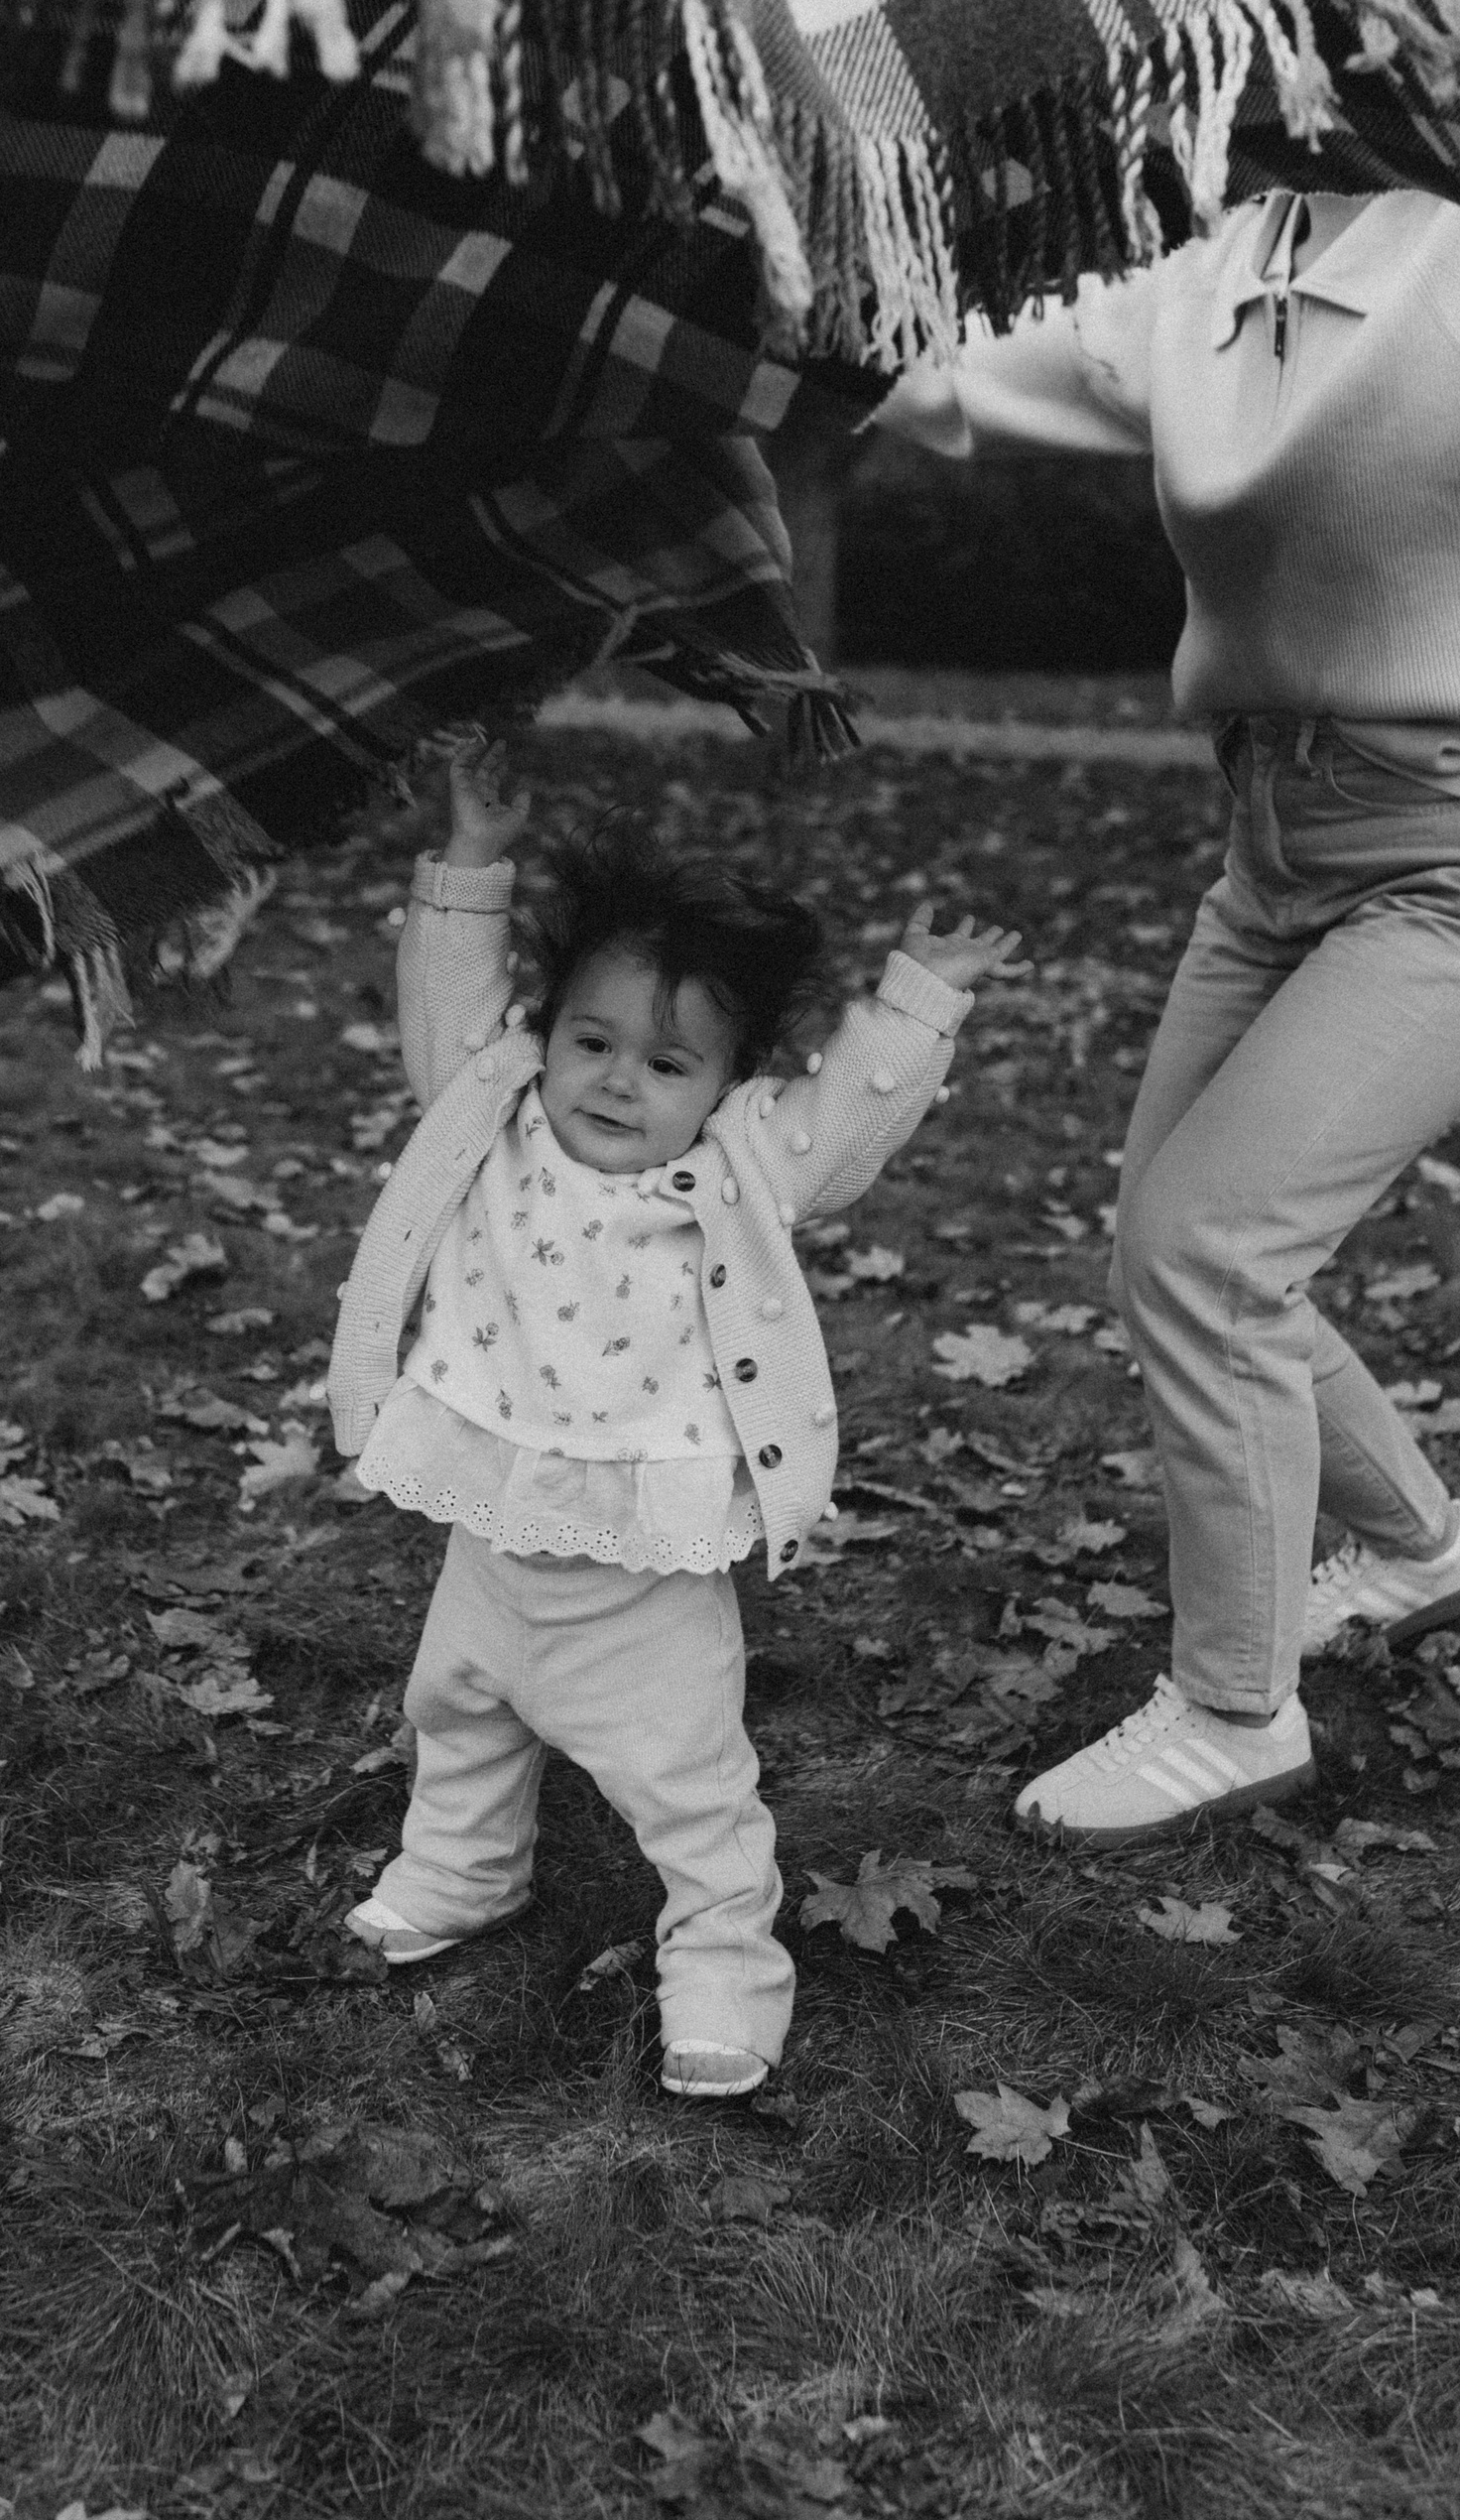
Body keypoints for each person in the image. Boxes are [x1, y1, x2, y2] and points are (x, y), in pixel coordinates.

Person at [873, 0, 1460, 1848]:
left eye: (1341, 0)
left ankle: (1237, 1708)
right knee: (1181, 1244)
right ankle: (1419, 1543)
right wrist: (752, 303)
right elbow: (954, 375)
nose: (1294, 42)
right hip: (1272, 844)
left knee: (1208, 1251)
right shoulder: (1223, 256)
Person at [327, 736, 1024, 2095]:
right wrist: (471, 864)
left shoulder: (744, 1161)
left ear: (727, 1082)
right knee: (460, 1709)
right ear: (548, 1035)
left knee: (687, 1785)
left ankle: (723, 1964)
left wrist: (918, 998)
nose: (615, 1080)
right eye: (591, 1042)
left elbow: (844, 1128)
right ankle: (461, 1869)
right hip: (495, 1504)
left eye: (665, 1063)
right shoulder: (495, 1112)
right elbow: (445, 1013)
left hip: (642, 1555)